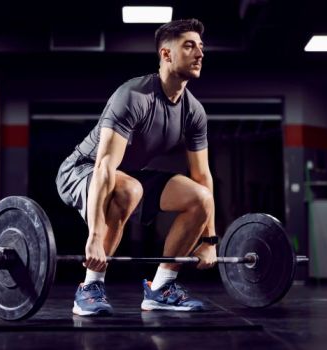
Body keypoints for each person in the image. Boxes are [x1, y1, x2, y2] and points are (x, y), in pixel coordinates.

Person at [56, 18, 218, 316]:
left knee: (200, 197)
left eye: (201, 47)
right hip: (82, 170)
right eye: (189, 46)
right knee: (129, 188)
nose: (200, 54)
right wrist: (94, 236)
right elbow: (104, 165)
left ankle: (162, 288)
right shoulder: (134, 96)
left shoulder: (193, 111)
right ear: (166, 54)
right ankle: (90, 286)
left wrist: (209, 239)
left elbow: (202, 175)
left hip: (128, 177)